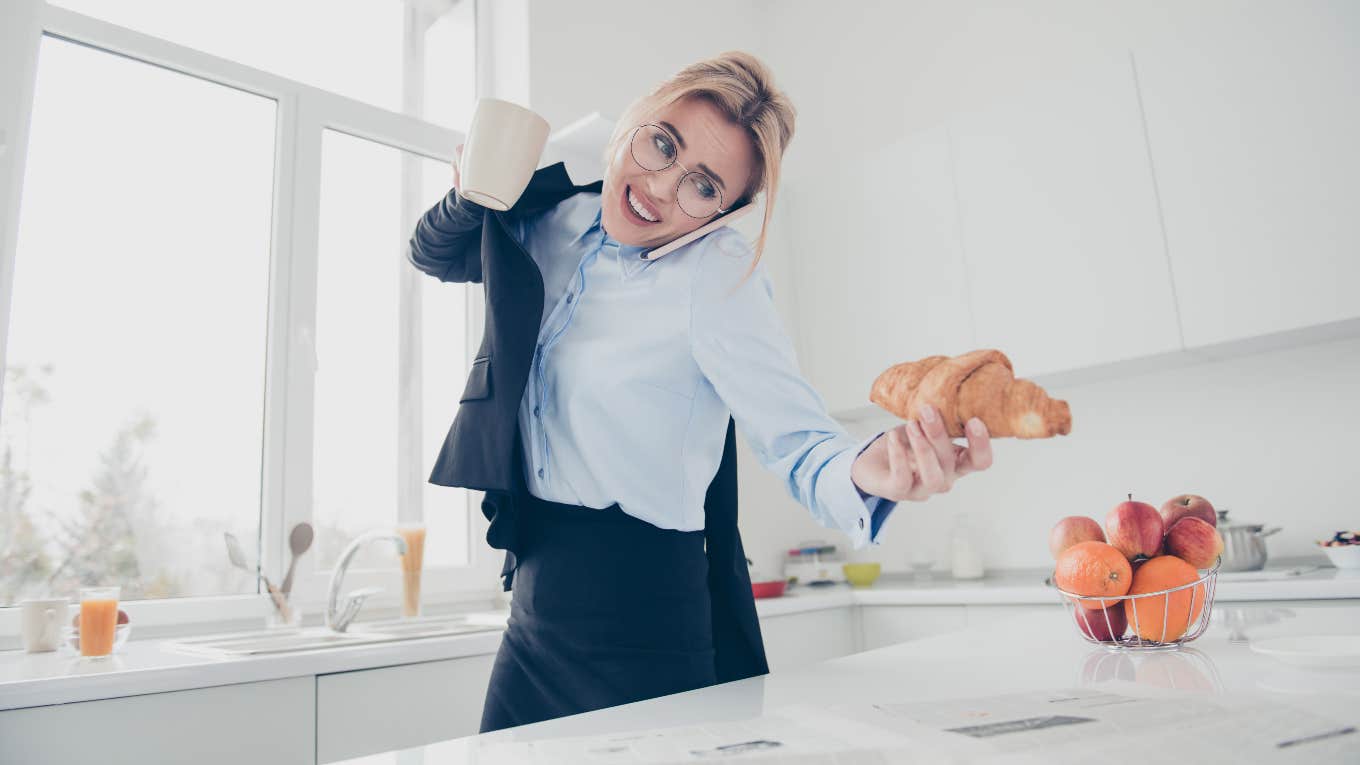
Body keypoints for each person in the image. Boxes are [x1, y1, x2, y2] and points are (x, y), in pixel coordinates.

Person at [407, 51, 994, 734]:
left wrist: (875, 469)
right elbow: (435, 254)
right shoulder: (553, 213)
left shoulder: (715, 277)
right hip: (534, 617)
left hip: (644, 632)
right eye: (661, 142)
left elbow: (802, 444)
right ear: (636, 117)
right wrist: (473, 188)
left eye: (703, 186)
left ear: (727, 211)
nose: (658, 186)